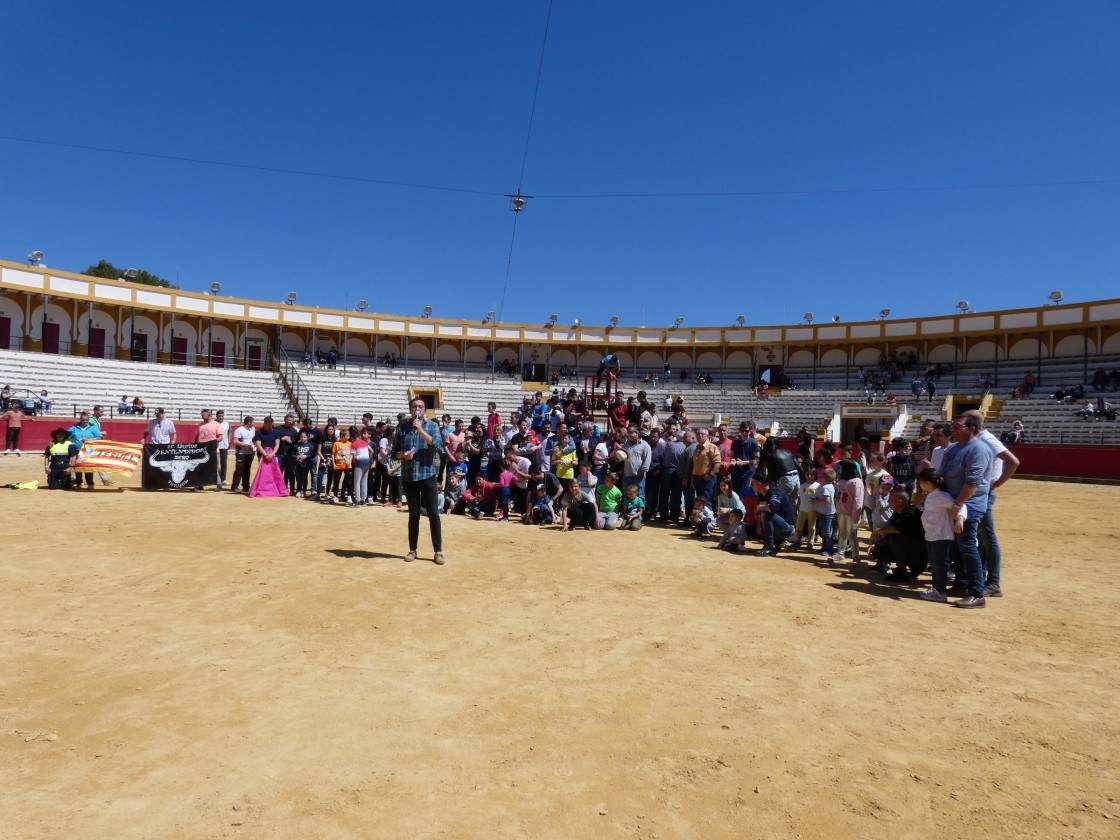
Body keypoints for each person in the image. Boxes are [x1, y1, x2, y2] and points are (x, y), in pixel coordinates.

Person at [939, 413, 994, 609]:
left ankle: (977, 593)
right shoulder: (954, 448)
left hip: (968, 505)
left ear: (971, 429)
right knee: (956, 546)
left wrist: (957, 505)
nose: (953, 429)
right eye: (953, 425)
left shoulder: (978, 449)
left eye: (958, 426)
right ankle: (962, 583)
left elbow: (972, 484)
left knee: (968, 546)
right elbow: (943, 474)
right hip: (952, 503)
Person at [394, 398, 446, 565]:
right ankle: (412, 549)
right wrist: (404, 455)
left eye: (421, 407)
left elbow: (438, 447)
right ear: (410, 409)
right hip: (409, 476)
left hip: (428, 475)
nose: (418, 409)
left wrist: (421, 430)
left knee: (433, 514)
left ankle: (438, 552)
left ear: (425, 410)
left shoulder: (432, 426)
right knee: (413, 515)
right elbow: (394, 453)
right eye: (415, 406)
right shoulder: (402, 428)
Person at [917, 468, 967, 603]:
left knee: (939, 564)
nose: (919, 485)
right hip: (931, 534)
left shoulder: (942, 496)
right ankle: (936, 588)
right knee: (934, 563)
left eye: (921, 482)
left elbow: (961, 506)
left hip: (941, 535)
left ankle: (940, 591)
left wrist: (960, 519)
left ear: (927, 482)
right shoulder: (932, 495)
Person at [754, 474, 795, 556]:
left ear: (759, 484)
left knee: (766, 513)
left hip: (787, 528)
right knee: (747, 528)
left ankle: (769, 546)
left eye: (753, 484)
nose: (752, 486)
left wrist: (760, 508)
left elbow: (773, 508)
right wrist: (759, 526)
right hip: (775, 526)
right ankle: (778, 541)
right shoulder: (761, 495)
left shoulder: (775, 491)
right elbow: (761, 512)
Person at [251, 416, 290, 498]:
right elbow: (258, 445)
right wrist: (265, 454)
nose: (270, 426)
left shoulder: (275, 432)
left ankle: (275, 489)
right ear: (264, 423)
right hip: (262, 455)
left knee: (274, 473)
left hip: (273, 455)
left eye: (271, 424)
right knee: (264, 473)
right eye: (268, 424)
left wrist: (272, 454)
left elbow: (277, 444)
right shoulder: (259, 432)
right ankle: (263, 488)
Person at [67, 411, 101, 489]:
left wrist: (88, 439)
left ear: (88, 420)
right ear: (80, 420)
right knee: (78, 467)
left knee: (88, 467)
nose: (85, 422)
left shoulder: (93, 427)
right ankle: (79, 482)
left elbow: (98, 438)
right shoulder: (74, 428)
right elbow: (66, 435)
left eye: (86, 420)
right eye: (83, 420)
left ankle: (90, 483)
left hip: (88, 451)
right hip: (77, 450)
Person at [194, 408, 224, 490]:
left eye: (203, 415)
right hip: (201, 450)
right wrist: (195, 446)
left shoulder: (217, 424)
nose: (202, 417)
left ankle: (219, 484)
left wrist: (218, 439)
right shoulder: (200, 425)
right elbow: (196, 437)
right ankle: (200, 484)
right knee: (200, 467)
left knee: (215, 467)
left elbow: (220, 436)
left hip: (213, 450)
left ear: (209, 415)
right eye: (202, 415)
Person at [231, 416, 257, 494]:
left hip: (249, 452)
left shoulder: (251, 430)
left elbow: (252, 440)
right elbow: (235, 441)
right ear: (249, 422)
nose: (253, 424)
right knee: (239, 469)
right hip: (241, 453)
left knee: (247, 470)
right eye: (252, 422)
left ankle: (246, 486)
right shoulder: (239, 430)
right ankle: (235, 486)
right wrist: (245, 445)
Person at [214, 409, 231, 490]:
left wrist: (229, 442)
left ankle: (223, 479)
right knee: (216, 464)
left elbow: (229, 432)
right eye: (219, 416)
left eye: (222, 416)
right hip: (215, 446)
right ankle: (216, 479)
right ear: (216, 416)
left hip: (224, 445)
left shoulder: (227, 423)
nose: (221, 417)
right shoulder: (214, 423)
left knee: (224, 463)